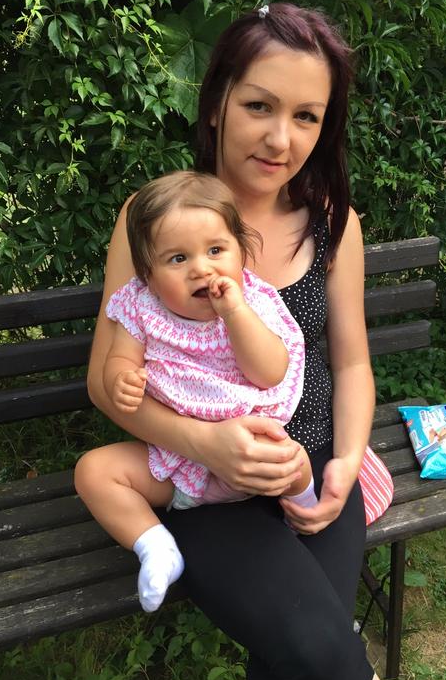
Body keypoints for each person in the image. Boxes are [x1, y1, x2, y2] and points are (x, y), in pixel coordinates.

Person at [75, 2, 393, 680]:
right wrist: (204, 444)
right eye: (259, 106)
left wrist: (345, 463)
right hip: (199, 482)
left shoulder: (333, 225)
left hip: (309, 471)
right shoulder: (156, 220)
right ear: (217, 101)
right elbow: (104, 380)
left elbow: (351, 364)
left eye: (306, 116)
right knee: (314, 646)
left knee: (302, 654)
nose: (282, 139)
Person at [77, 170, 317, 613]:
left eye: (215, 251)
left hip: (252, 450)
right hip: (177, 462)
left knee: (295, 463)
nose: (201, 269)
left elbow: (269, 372)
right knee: (93, 471)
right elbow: (119, 359)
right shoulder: (142, 307)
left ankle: (303, 513)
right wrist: (121, 379)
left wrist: (236, 314)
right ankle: (156, 547)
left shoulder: (252, 302)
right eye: (177, 258)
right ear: (148, 276)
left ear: (241, 251)